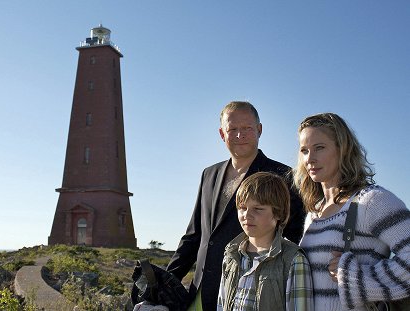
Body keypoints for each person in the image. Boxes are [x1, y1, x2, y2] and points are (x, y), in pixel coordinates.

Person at [167, 101, 306, 311]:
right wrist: (164, 281)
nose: (240, 135)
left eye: (247, 128)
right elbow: (195, 235)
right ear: (222, 134)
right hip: (199, 294)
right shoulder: (209, 174)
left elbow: (296, 236)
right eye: (232, 129)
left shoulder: (286, 176)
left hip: (251, 296)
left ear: (259, 130)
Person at [294, 112, 410, 310]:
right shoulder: (314, 214)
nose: (310, 158)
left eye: (319, 148)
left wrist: (357, 277)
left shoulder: (372, 201)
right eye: (304, 150)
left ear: (343, 150)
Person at [217, 172, 314, 311]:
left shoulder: (293, 260)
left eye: (258, 209)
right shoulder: (231, 255)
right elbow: (221, 304)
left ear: (278, 213)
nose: (247, 215)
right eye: (242, 208)